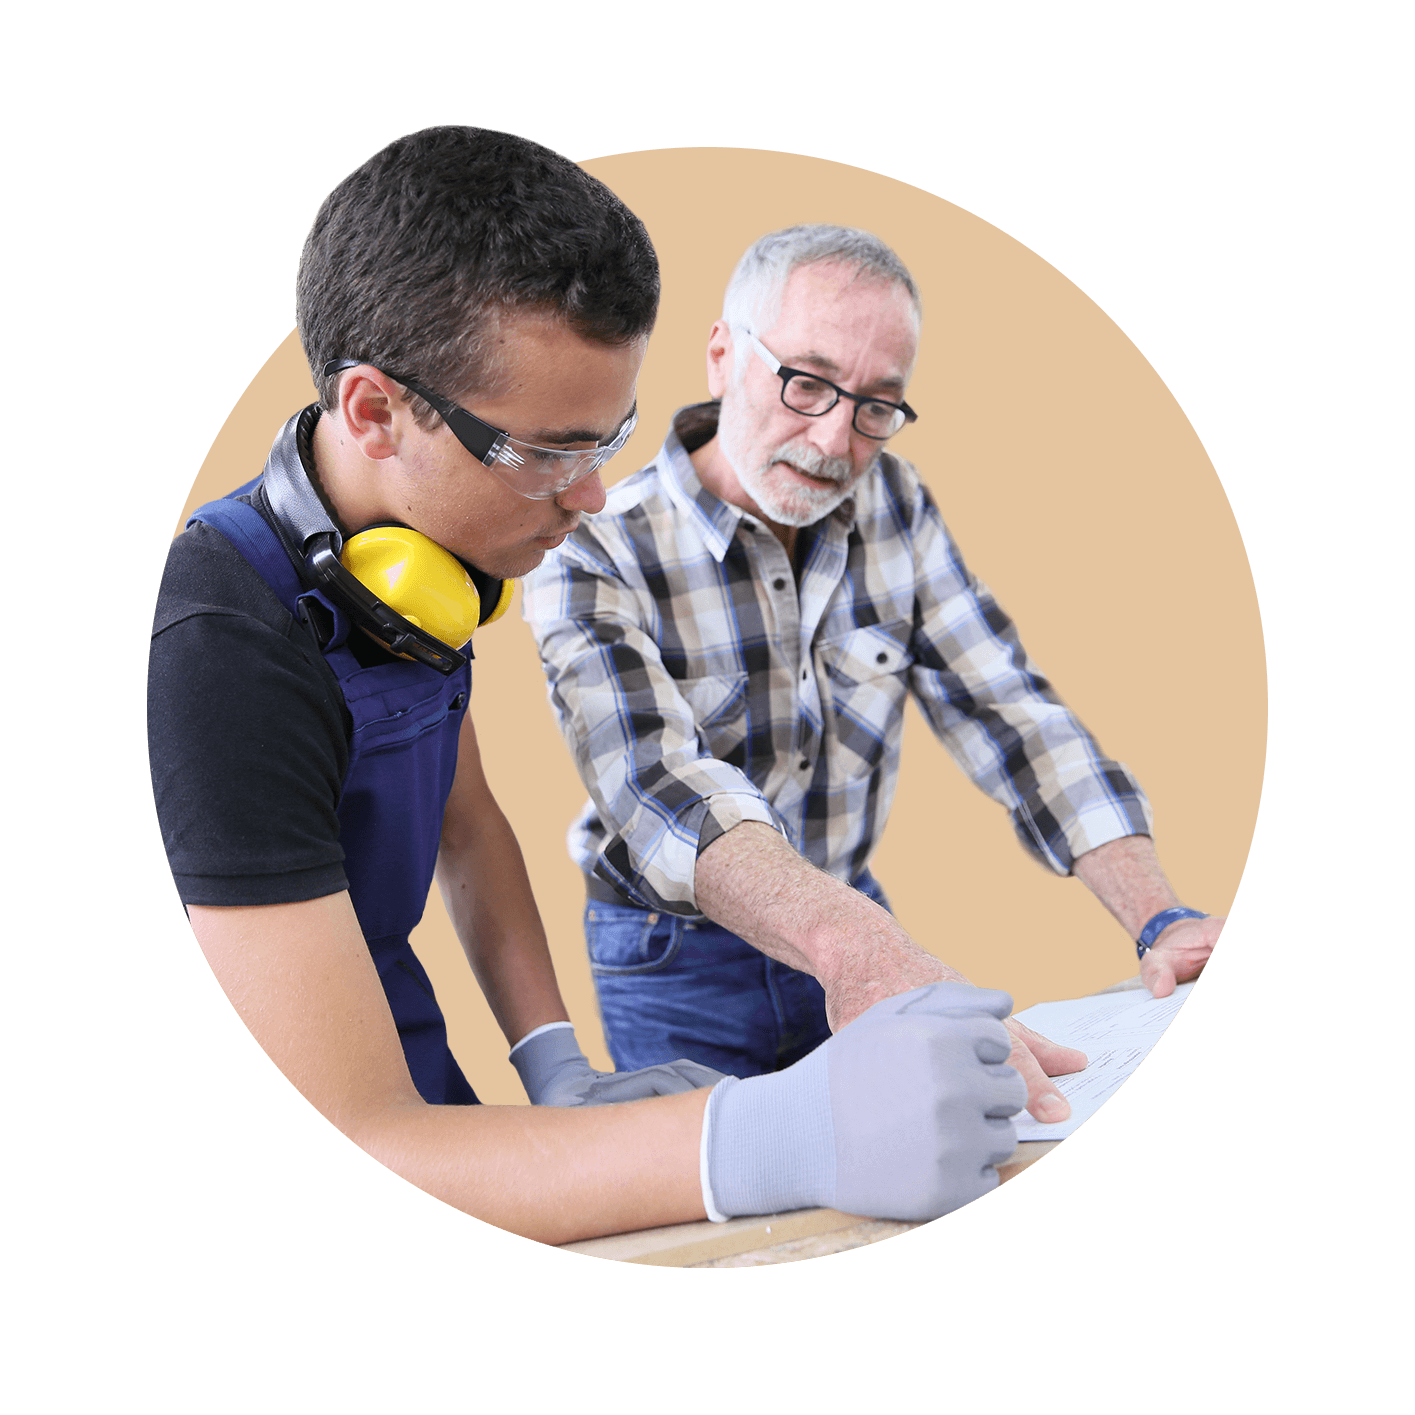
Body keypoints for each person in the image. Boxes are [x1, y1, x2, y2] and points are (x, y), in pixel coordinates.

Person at [150, 130, 1039, 1246]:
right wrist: (772, 1131)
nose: (594, 497)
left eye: (611, 437)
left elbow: (465, 824)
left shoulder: (423, 563)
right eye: (549, 453)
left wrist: (553, 1062)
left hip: (439, 1110)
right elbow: (363, 1139)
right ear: (374, 410)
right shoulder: (218, 651)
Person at [523, 224, 1225, 1101]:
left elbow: (1007, 710)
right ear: (720, 355)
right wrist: (860, 944)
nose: (832, 441)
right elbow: (659, 787)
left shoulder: (894, 500)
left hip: (851, 909)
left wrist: (1159, 916)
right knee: (722, 1217)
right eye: (806, 383)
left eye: (875, 406)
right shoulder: (591, 547)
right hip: (673, 955)